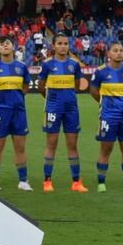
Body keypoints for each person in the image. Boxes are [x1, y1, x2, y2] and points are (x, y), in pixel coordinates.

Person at [38, 34, 88, 193]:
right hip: (52, 108)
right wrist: (51, 100)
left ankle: (76, 182)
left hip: (71, 109)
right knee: (51, 144)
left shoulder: (74, 64)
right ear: (53, 46)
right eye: (59, 43)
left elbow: (77, 85)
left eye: (66, 43)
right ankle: (47, 181)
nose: (63, 46)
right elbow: (41, 85)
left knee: (72, 145)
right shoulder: (47, 64)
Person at [0, 38, 32, 192]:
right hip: (0, 111)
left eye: (8, 43)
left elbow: (25, 85)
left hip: (18, 111)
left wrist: (16, 99)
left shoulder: (21, 67)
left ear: (13, 47)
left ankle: (23, 181)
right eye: (2, 44)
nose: (5, 45)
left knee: (20, 147)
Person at [89, 41, 123, 192]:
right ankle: (101, 183)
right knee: (106, 148)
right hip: (108, 116)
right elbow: (93, 91)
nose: (119, 53)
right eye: (115, 50)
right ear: (109, 53)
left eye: (121, 50)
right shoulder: (100, 71)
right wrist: (106, 104)